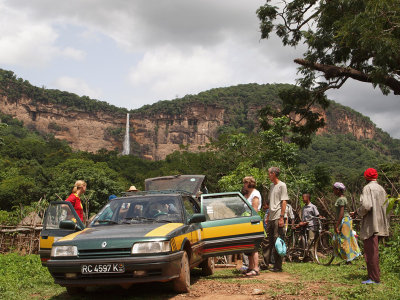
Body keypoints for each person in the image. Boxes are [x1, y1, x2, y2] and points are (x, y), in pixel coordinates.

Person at [351, 168, 389, 284]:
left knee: (371, 251)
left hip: (371, 224)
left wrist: (357, 211)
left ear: (366, 177)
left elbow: (366, 206)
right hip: (381, 223)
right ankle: (375, 275)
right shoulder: (381, 189)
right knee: (375, 251)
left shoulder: (367, 188)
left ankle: (374, 278)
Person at [264, 167, 289, 272]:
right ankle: (265, 264)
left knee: (277, 240)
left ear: (273, 174)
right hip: (271, 216)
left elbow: (284, 202)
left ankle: (278, 266)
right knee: (266, 240)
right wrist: (268, 215)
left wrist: (282, 217)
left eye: (269, 173)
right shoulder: (271, 186)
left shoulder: (282, 185)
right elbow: (270, 203)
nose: (268, 175)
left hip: (278, 215)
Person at [333, 182, 361, 264]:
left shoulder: (341, 199)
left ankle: (349, 259)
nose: (333, 191)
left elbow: (341, 213)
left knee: (346, 240)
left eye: (334, 189)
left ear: (338, 190)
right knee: (341, 239)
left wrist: (337, 225)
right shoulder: (341, 199)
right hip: (344, 220)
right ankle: (346, 258)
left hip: (344, 220)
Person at [242, 176, 262, 276]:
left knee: (254, 246)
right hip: (246, 221)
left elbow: (255, 210)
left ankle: (256, 268)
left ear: (249, 183)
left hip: (252, 221)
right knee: (248, 246)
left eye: (245, 183)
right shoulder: (248, 194)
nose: (244, 185)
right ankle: (250, 267)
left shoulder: (255, 194)